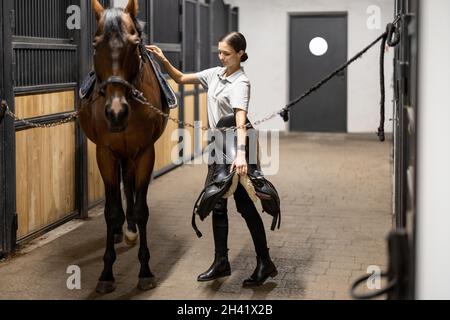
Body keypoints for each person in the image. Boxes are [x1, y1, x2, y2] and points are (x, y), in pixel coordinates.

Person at [146, 32, 278, 287]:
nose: (221, 57)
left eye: (226, 53)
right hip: (219, 143)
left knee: (244, 205)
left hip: (237, 143)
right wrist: (163, 60)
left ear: (240, 53)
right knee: (217, 202)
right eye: (219, 52)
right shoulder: (216, 74)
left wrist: (240, 153)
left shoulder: (241, 83)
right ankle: (221, 262)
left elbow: (240, 119)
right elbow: (182, 78)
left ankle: (264, 262)